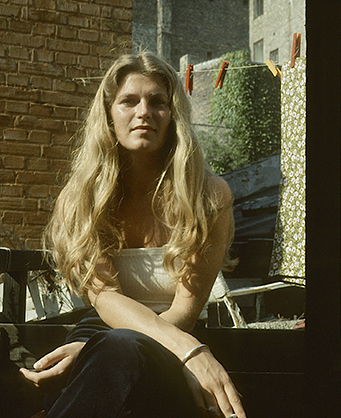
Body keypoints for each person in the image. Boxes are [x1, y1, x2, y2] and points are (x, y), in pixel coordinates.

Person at [19, 51, 246, 418]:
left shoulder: (207, 196)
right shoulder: (82, 199)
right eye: (129, 101)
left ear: (173, 115)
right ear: (109, 114)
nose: (144, 112)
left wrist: (183, 348)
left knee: (120, 349)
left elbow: (185, 312)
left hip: (173, 338)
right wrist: (92, 347)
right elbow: (106, 300)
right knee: (117, 349)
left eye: (157, 102)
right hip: (103, 336)